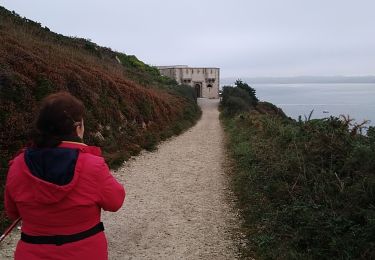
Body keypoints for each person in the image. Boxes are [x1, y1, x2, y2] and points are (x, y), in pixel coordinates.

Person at [4, 91, 125, 259]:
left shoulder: (18, 164)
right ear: (77, 128)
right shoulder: (92, 164)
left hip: (32, 252)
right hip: (84, 252)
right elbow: (115, 202)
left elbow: (12, 212)